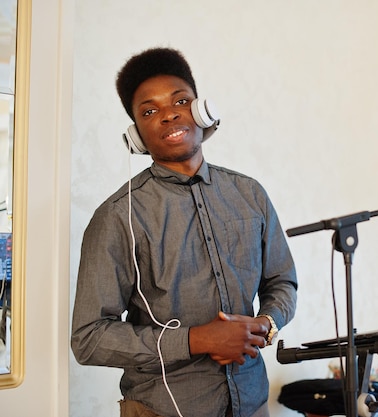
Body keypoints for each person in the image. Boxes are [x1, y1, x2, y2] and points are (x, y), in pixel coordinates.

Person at [71, 47, 298, 417]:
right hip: (164, 408)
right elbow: (89, 338)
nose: (169, 114)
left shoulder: (250, 194)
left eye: (180, 100)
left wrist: (265, 323)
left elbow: (282, 282)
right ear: (136, 135)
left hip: (253, 402)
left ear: (200, 110)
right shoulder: (116, 217)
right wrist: (196, 339)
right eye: (149, 110)